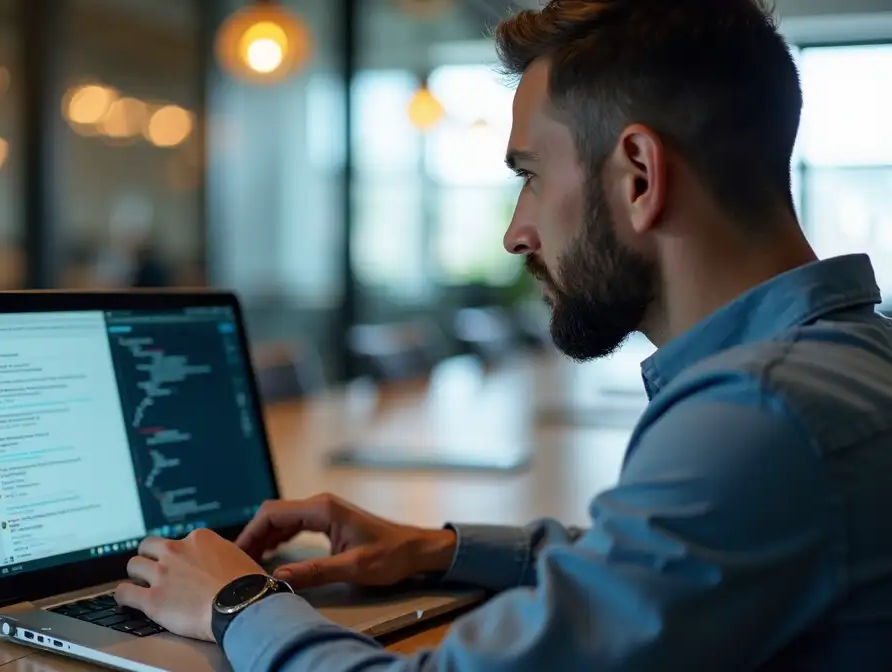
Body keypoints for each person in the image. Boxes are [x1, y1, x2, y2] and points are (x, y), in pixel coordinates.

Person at [113, 1, 892, 669]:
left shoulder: (759, 418)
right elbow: (666, 560)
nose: (517, 232)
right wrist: (439, 549)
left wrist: (239, 600)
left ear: (640, 177)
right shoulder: (847, 361)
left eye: (530, 175)